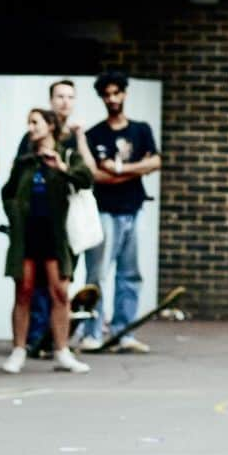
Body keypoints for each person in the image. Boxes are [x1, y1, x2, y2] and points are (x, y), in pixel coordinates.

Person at [0, 108, 93, 374]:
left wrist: (61, 168)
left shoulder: (67, 155)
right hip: (28, 233)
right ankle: (19, 349)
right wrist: (16, 213)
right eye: (29, 122)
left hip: (56, 234)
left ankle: (62, 351)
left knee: (59, 292)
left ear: (51, 126)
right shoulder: (25, 161)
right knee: (24, 291)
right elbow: (8, 192)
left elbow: (86, 179)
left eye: (36, 122)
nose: (31, 127)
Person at [77, 71, 162, 353]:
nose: (112, 99)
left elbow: (156, 162)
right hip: (104, 210)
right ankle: (93, 332)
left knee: (130, 273)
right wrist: (135, 169)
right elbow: (96, 176)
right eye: (107, 94)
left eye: (117, 93)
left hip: (133, 208)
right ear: (102, 97)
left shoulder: (140, 130)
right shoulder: (95, 134)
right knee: (97, 273)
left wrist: (119, 169)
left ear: (125, 94)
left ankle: (123, 332)